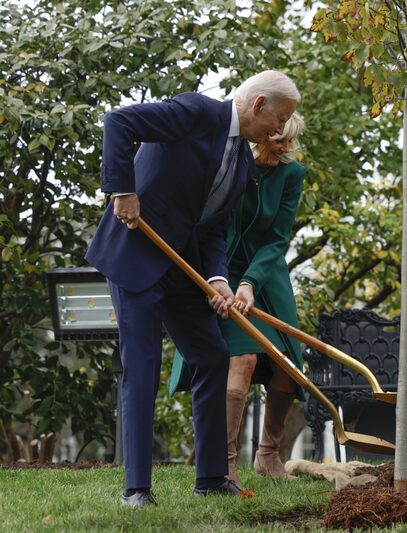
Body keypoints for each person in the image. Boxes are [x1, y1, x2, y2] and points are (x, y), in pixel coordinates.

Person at [85, 70, 300, 508]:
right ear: (258, 104)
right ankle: (136, 489)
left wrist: (218, 279)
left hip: (182, 269)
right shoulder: (198, 112)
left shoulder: (240, 158)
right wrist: (122, 189)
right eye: (279, 119)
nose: (280, 129)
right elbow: (119, 123)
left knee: (211, 356)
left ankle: (211, 477)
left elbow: (214, 229)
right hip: (136, 255)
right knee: (143, 365)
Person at [169, 112, 307, 484]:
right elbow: (211, 222)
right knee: (241, 358)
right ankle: (224, 462)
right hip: (218, 268)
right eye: (280, 140)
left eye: (290, 141)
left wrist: (250, 283)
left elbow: (277, 238)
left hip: (266, 274)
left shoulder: (291, 175)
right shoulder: (231, 163)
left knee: (287, 365)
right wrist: (227, 281)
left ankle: (267, 455)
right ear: (262, 136)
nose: (286, 148)